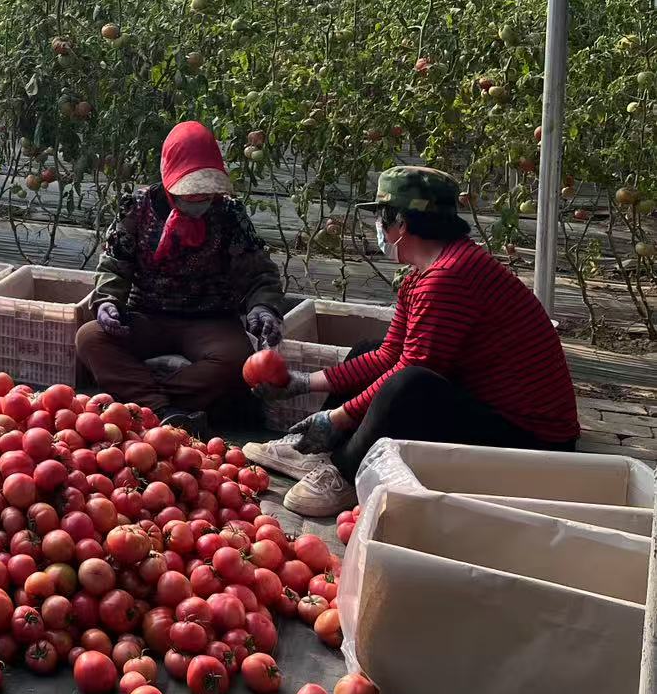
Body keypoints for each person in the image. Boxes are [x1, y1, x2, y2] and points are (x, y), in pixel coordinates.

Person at [244, 166, 580, 517]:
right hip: (489, 407)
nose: (378, 228)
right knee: (368, 351)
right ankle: (320, 452)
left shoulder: (450, 277)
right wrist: (301, 383)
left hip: (533, 443)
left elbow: (414, 370)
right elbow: (388, 355)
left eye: (380, 218)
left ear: (401, 223)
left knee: (409, 385)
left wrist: (337, 418)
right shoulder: (429, 272)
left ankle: (345, 471)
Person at [75, 120, 286, 438]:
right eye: (191, 190)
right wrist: (107, 302)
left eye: (206, 191)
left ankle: (149, 406)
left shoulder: (229, 214)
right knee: (90, 338)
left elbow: (259, 272)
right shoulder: (137, 208)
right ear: (169, 178)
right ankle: (170, 411)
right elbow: (115, 264)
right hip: (147, 315)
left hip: (210, 320)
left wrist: (263, 307)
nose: (199, 198)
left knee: (237, 361)